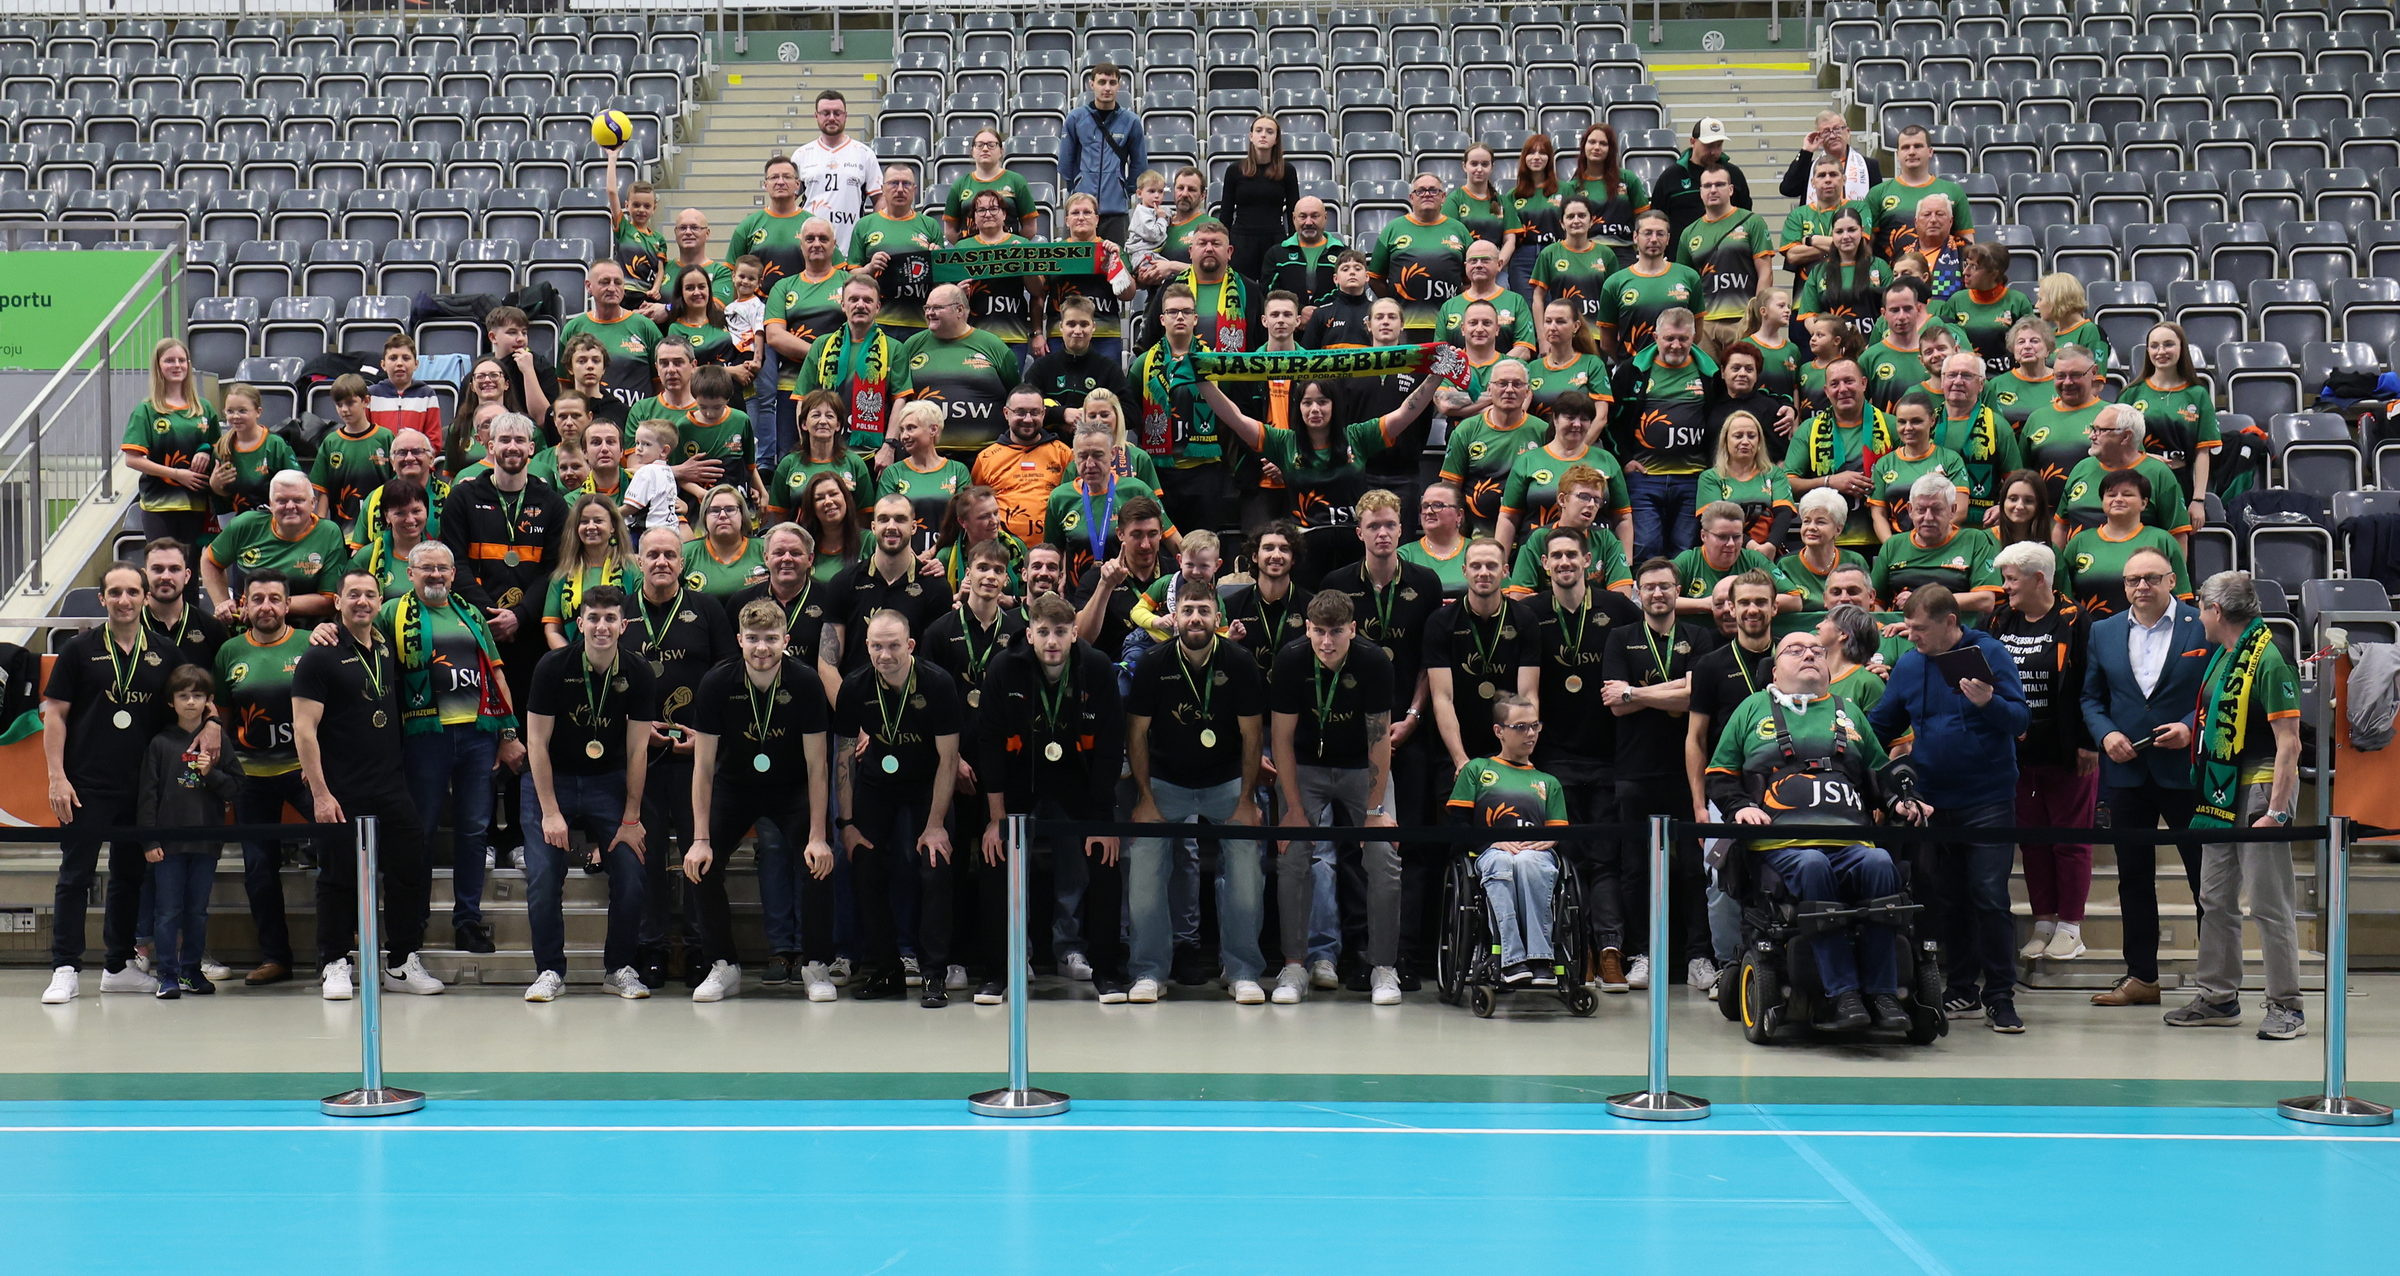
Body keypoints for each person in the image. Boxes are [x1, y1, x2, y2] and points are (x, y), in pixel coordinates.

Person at [1707, 629, 1919, 1032]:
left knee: (1879, 862)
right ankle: (1843, 994)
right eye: (1795, 650)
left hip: (1851, 840)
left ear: (1827, 667)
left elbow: (1880, 774)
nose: (1808, 654)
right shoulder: (1751, 708)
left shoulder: (1849, 712)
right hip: (1783, 844)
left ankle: (1883, 993)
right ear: (1774, 671)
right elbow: (1719, 774)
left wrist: (1900, 801)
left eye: (1816, 650)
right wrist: (1741, 807)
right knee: (1812, 865)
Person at [1868, 583, 2030, 1033]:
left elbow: (2019, 720)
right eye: (1909, 627)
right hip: (1933, 800)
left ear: (1950, 622)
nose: (1912, 635)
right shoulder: (1909, 664)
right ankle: (1961, 987)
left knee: (1990, 896)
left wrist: (1988, 702)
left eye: (1920, 628)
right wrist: (1845, 745)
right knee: (1947, 898)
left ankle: (2000, 995)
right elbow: (1881, 724)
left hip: (1988, 797)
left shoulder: (1989, 654)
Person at [39, 563, 191, 1003]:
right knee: (75, 876)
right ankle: (65, 967)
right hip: (85, 783)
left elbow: (190, 703)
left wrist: (214, 725)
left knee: (129, 876)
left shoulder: (165, 652)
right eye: (115, 593)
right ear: (102, 598)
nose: (124, 601)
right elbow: (56, 715)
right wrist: (57, 777)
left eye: (132, 592)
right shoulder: (78, 650)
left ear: (145, 597)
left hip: (142, 787)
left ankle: (118, 965)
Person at [2168, 571, 2306, 1040]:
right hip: (2218, 791)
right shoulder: (2226, 654)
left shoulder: (2270, 657)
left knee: (2269, 903)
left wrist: (2278, 811)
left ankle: (2286, 1004)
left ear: (2216, 610)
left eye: (2201, 608)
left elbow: (2290, 743)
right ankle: (2218, 996)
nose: (2199, 616)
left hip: (2260, 792)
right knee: (2215, 898)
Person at [294, 569, 437, 1002]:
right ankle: (336, 962)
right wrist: (321, 794)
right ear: (337, 601)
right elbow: (304, 729)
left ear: (379, 601)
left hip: (390, 784)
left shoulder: (385, 647)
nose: (362, 601)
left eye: (370, 595)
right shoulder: (319, 655)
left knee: (409, 870)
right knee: (337, 877)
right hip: (340, 789)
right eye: (353, 594)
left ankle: (401, 961)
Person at [684, 599, 837, 1003]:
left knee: (819, 860)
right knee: (700, 863)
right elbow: (703, 767)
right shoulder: (717, 683)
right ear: (739, 640)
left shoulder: (805, 683)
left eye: (771, 638)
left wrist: (818, 836)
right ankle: (723, 964)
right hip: (735, 787)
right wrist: (700, 839)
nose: (762, 648)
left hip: (792, 789)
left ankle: (816, 963)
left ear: (786, 639)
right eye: (753, 639)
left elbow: (818, 766)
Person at [980, 592, 1131, 1000]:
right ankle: (999, 970)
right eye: (1043, 632)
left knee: (1105, 858)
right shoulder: (1004, 668)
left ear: (1075, 634)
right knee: (995, 855)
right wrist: (995, 818)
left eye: (1061, 632)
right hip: (1020, 778)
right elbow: (989, 743)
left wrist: (1102, 820)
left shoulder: (1096, 668)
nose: (1052, 641)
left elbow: (1109, 747)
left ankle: (1107, 971)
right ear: (1029, 634)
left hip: (1079, 779)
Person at [2079, 548, 2211, 1007]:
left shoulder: (2202, 626)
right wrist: (2106, 734)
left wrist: (2191, 728)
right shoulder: (2103, 631)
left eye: (2151, 578)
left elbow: (2218, 692)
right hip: (2127, 772)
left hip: (2186, 771)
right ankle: (2141, 977)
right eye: (2133, 580)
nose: (2141, 587)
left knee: (2205, 880)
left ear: (2172, 580)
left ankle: (2215, 983)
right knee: (2133, 879)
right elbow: (2091, 698)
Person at [1124, 590, 1270, 1003]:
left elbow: (1252, 735)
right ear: (1174, 616)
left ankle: (1242, 971)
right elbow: (1136, 734)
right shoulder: (1153, 663)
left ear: (1217, 617)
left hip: (1227, 784)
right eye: (1187, 610)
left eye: (1203, 611)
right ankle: (1149, 971)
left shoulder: (1239, 662)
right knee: (1145, 871)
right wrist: (1144, 797)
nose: (1195, 618)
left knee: (1245, 871)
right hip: (1165, 784)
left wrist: (1246, 800)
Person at [378, 540, 521, 953]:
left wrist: (508, 733)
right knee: (420, 832)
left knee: (474, 831)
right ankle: (414, 919)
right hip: (425, 736)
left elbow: (496, 674)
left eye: (443, 568)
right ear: (410, 573)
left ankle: (468, 920)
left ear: (454, 573)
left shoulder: (470, 613)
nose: (436, 575)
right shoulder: (392, 612)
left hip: (478, 735)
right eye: (427, 568)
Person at [518, 586, 656, 1002]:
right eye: (593, 618)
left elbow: (638, 750)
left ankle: (619, 968)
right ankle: (549, 970)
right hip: (552, 779)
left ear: (623, 625)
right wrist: (550, 812)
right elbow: (536, 743)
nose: (601, 626)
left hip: (608, 780)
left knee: (631, 873)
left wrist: (631, 817)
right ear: (580, 624)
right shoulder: (552, 666)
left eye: (610, 618)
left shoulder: (638, 671)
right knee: (544, 877)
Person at [1267, 591, 1402, 1004]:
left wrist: (1375, 810)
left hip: (1362, 767)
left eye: (1337, 632)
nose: (1327, 642)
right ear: (1307, 628)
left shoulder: (1374, 661)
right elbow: (1281, 739)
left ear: (1353, 629)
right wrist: (1293, 808)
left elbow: (1379, 739)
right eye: (1319, 632)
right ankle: (1294, 965)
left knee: (1383, 855)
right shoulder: (1291, 660)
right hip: (1305, 766)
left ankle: (1384, 967)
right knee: (1292, 854)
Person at [834, 610, 965, 1005]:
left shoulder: (937, 683)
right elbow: (844, 756)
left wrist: (936, 824)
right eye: (877, 646)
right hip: (877, 784)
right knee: (865, 865)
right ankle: (887, 969)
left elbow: (949, 759)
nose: (885, 655)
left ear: (910, 645)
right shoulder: (855, 686)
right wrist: (847, 823)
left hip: (928, 784)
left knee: (935, 868)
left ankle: (933, 974)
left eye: (893, 646)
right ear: (866, 646)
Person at [1600, 557, 1720, 990]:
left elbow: (1695, 697)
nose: (1657, 593)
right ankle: (1641, 955)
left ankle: (1698, 956)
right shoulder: (1620, 637)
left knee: (1691, 868)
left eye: (1665, 586)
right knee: (1635, 869)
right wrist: (1670, 690)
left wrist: (1635, 692)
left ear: (1677, 590)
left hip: (1686, 770)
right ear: (1637, 592)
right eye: (1649, 587)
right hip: (1634, 768)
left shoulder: (1699, 637)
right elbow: (1614, 705)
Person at [624, 526, 733, 990]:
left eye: (670, 554)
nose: (662, 562)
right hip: (639, 758)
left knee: (697, 852)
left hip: (695, 757)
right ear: (639, 562)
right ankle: (650, 948)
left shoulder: (706, 609)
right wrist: (633, 731)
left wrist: (708, 739)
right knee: (646, 856)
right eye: (653, 555)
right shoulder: (622, 612)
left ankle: (698, 949)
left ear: (682, 562)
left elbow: (728, 673)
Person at [1983, 541, 2096, 963]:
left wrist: (2088, 741)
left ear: (2038, 579)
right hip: (2015, 752)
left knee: (2069, 840)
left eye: (2012, 578)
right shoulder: (2000, 618)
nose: (2005, 586)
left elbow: (2091, 682)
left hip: (2066, 748)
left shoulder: (2074, 619)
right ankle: (2044, 921)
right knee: (2032, 841)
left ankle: (2071, 927)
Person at [210, 571, 314, 987]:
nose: (266, 606)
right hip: (251, 777)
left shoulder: (310, 645)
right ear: (244, 606)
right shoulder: (229, 652)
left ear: (287, 605)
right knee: (258, 868)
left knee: (338, 854)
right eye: (257, 599)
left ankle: (336, 954)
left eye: (274, 598)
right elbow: (221, 717)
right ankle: (275, 957)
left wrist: (318, 764)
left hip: (305, 774)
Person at [1446, 693, 1570, 985]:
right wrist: (1489, 842)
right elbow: (1458, 824)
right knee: (1502, 862)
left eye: (1535, 726)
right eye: (1521, 727)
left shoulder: (1548, 782)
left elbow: (1559, 831)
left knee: (1528, 863)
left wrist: (1552, 840)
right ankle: (1511, 959)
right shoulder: (1477, 770)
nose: (1530, 733)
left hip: (1534, 852)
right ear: (1499, 731)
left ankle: (1541, 958)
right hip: (1490, 851)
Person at [1609, 309, 1720, 557]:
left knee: (1685, 549)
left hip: (1693, 478)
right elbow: (1611, 421)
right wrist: (1625, 459)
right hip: (1645, 477)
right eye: (1669, 338)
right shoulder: (1631, 371)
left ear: (1694, 337)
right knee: (1646, 546)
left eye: (1683, 339)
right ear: (1655, 336)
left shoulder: (1711, 373)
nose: (1676, 345)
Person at [201, 471, 344, 624]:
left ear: (313, 503)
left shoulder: (329, 533)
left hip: (309, 630)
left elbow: (330, 601)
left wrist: (264, 605)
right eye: (282, 501)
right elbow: (209, 561)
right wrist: (222, 603)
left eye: (298, 500)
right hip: (250, 626)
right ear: (270, 504)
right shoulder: (246, 525)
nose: (290, 506)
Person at [899, 284, 1020, 456]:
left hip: (985, 455)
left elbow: (1016, 394)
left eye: (937, 307)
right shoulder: (912, 345)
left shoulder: (993, 345)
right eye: (927, 308)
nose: (929, 313)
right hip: (926, 455)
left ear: (959, 310)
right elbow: (898, 395)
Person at [2119, 321, 2219, 524]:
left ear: (2181, 348)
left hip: (2180, 483)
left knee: (2178, 543)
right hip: (2138, 483)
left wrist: (2198, 500)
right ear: (2148, 351)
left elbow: (2202, 452)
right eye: (2154, 346)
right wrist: (2144, 458)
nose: (2161, 351)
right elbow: (2116, 445)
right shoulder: (2131, 394)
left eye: (2168, 344)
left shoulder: (2197, 394)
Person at [1786, 359, 1889, 551]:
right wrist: (1829, 481)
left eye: (1849, 381)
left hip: (1883, 540)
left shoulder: (1891, 426)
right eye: (1834, 384)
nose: (1842, 389)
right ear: (1826, 391)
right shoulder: (1809, 429)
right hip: (1826, 543)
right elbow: (1787, 484)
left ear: (1864, 383)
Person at [1440, 359, 1549, 536]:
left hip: (1529, 535)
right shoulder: (1466, 430)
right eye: (1502, 383)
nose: (1509, 390)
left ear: (1527, 391)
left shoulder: (1543, 431)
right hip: (1477, 536)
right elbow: (1450, 489)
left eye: (1517, 384)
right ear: (1490, 390)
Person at [1676, 166, 1776, 360]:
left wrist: (1757, 316)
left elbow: (1766, 273)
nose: (1713, 190)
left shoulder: (1752, 221)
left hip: (1743, 319)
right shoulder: (1688, 233)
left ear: (1730, 190)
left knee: (1743, 374)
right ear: (1700, 192)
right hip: (1705, 324)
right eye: (1707, 186)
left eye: (1719, 184)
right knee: (1708, 377)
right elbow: (1685, 285)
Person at [1873, 472, 2001, 615]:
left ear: (1952, 510)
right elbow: (1874, 601)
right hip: (1900, 626)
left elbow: (1985, 600)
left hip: (1956, 627)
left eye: (1936, 509)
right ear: (1910, 510)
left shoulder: (1975, 540)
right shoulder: (1893, 545)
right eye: (1921, 510)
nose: (1928, 517)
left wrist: (1924, 601)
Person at [850, 164, 946, 341]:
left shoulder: (930, 225)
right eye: (894, 183)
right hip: (877, 322)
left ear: (915, 190)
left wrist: (938, 260)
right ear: (883, 189)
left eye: (906, 184)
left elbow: (942, 281)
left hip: (921, 323)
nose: (900, 189)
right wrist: (869, 269)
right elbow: (850, 276)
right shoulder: (865, 225)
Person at [1059, 61, 1149, 246]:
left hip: (1115, 212)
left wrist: (1125, 190)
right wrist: (1077, 186)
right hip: (1082, 212)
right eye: (1102, 82)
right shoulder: (1076, 118)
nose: (1107, 88)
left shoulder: (1130, 121)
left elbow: (1139, 164)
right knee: (1076, 261)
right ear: (1091, 84)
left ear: (1119, 85)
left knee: (1115, 261)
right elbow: (1065, 162)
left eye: (1112, 82)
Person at [1370, 175, 1470, 340]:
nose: (1427, 194)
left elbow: (1470, 281)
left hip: (1449, 326)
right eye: (1421, 191)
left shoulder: (1459, 230)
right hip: (1404, 327)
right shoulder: (1393, 229)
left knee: (1446, 359)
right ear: (1411, 198)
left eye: (1433, 190)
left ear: (1443, 197)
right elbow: (1374, 278)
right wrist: (1394, 305)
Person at [1595, 209, 1702, 360]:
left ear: (1668, 238)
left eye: (1660, 234)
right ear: (1635, 237)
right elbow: (1607, 342)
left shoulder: (1689, 276)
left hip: (1675, 369)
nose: (1654, 239)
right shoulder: (1614, 283)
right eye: (1647, 233)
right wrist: (1629, 366)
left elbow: (1697, 332)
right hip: (1632, 369)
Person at [559, 261, 664, 410]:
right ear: (588, 286)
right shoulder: (573, 328)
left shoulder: (646, 327)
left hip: (637, 419)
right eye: (605, 282)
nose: (612, 288)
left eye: (618, 282)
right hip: (590, 418)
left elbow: (660, 382)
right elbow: (564, 383)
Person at [1045, 200, 1138, 369]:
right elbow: (1038, 293)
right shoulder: (1052, 253)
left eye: (1087, 212)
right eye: (1075, 213)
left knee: (1106, 386)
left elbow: (1128, 294)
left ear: (1097, 219)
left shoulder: (1111, 250)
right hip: (1061, 335)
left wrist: (1116, 261)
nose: (1081, 217)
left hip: (1105, 336)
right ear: (1066, 220)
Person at [1869, 391, 1971, 543]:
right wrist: (1892, 546)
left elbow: (1960, 510)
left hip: (1941, 544)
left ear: (1932, 420)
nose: (1908, 428)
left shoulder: (1950, 460)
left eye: (1916, 421)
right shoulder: (1884, 464)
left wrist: (1927, 539)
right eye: (1902, 422)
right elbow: (1878, 515)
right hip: (1900, 547)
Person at [2019, 344, 2113, 508]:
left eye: (2076, 375)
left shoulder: (2113, 415)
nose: (2068, 382)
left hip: (2096, 516)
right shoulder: (2037, 418)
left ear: (2093, 372)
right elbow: (2022, 474)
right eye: (2060, 376)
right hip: (2044, 515)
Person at [1863, 125, 1973, 261]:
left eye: (1918, 146)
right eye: (1905, 147)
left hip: (1941, 271)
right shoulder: (1877, 193)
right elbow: (1867, 246)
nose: (1911, 152)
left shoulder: (1953, 191)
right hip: (1893, 272)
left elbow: (1967, 242)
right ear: (1897, 154)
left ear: (1930, 152)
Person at [876, 400, 972, 555]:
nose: (904, 436)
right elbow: (884, 520)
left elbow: (964, 520)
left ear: (933, 429)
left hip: (948, 558)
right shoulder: (892, 473)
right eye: (902, 430)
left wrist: (934, 552)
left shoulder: (958, 470)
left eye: (911, 428)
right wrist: (910, 558)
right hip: (902, 558)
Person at [540, 493, 636, 648]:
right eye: (584, 521)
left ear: (612, 527)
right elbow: (552, 630)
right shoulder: (562, 574)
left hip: (622, 657)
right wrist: (571, 658)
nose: (591, 526)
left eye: (598, 520)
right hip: (573, 658)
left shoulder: (631, 569)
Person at [1697, 410, 1795, 554]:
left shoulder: (1774, 474)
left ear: (1759, 441)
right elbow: (1713, 520)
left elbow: (1784, 513)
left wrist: (1770, 546)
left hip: (1770, 550)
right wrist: (1752, 546)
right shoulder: (1710, 478)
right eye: (1738, 436)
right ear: (1725, 441)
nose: (1745, 441)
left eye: (1751, 436)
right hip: (1726, 550)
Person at [791, 91, 880, 247]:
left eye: (837, 113)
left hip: (850, 247)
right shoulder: (802, 155)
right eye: (826, 113)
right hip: (811, 248)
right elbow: (787, 200)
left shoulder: (864, 154)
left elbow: (879, 200)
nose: (832, 118)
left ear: (845, 116)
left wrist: (873, 235)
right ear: (816, 116)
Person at [1216, 114, 1298, 282]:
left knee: (1275, 290)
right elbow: (1226, 214)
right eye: (1259, 130)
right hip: (1241, 242)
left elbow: (1294, 213)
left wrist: (1294, 245)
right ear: (1251, 136)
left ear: (1276, 139)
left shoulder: (1287, 171)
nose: (1263, 135)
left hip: (1275, 240)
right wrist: (1223, 244)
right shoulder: (1234, 170)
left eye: (1269, 132)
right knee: (1242, 290)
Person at [310, 374, 395, 528]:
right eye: (339, 404)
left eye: (350, 403)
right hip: (343, 528)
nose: (344, 409)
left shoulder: (385, 437)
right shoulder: (331, 442)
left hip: (380, 527)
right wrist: (320, 526)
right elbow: (323, 491)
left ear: (366, 401)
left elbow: (396, 485)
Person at [1794, 206, 1890, 342]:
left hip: (1873, 347)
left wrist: (1874, 345)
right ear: (1832, 234)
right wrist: (1830, 342)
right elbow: (1809, 317)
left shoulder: (1880, 266)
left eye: (1852, 230)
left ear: (1862, 231)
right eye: (1839, 231)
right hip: (1834, 349)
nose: (1846, 236)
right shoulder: (1818, 272)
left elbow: (1892, 310)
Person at [1675, 501, 1784, 620]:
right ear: (1703, 536)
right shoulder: (1688, 561)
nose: (1731, 544)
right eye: (1722, 537)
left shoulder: (1754, 559)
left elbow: (1794, 598)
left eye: (1737, 537)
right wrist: (1706, 604)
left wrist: (1746, 602)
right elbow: (1662, 598)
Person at [1530, 213, 1616, 360]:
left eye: (1581, 216)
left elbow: (1614, 300)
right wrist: (1542, 339)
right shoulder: (1549, 253)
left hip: (1596, 335)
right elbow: (1538, 298)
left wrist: (1611, 337)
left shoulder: (1606, 254)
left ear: (1591, 221)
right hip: (1560, 333)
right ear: (1562, 223)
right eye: (1570, 216)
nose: (1576, 220)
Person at [207, 384, 295, 525]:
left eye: (242, 411)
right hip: (234, 525)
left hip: (272, 523)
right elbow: (221, 501)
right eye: (230, 411)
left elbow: (295, 486)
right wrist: (215, 486)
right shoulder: (221, 448)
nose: (236, 416)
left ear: (258, 412)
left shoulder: (275, 445)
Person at [1652, 117, 1753, 239]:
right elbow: (1656, 219)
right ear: (1693, 142)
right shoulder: (1671, 177)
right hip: (1682, 249)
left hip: (1726, 248)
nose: (1714, 152)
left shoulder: (1734, 174)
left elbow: (1746, 216)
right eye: (1709, 146)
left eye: (1719, 145)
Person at [139, 537, 229, 670]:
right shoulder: (129, 627)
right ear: (145, 575)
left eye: (174, 569)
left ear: (187, 576)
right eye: (157, 569)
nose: (166, 576)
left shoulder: (212, 628)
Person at [1772, 487, 1870, 609]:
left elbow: (1867, 605)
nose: (1811, 527)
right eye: (1806, 521)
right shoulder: (1786, 565)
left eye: (1820, 522)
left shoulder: (1855, 560)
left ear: (1838, 529)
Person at [1438, 241, 1536, 358]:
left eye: (1485, 260)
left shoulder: (1516, 301)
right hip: (1461, 369)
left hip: (1505, 369)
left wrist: (1495, 367)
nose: (1478, 265)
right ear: (1465, 266)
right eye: (1473, 261)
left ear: (1499, 264)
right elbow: (1439, 352)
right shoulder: (1449, 306)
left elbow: (1524, 349)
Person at [1504, 132, 1563, 301]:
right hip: (1523, 258)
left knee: (1557, 307)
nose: (1536, 157)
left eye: (1542, 153)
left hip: (1556, 253)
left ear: (1549, 158)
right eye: (1531, 152)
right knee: (1528, 307)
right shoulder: (1512, 195)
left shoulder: (1565, 190)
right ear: (1524, 158)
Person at [604, 148, 667, 307]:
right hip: (623, 293)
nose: (641, 210)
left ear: (654, 208)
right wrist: (612, 158)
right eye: (636, 205)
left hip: (646, 297)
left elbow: (660, 270)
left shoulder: (658, 239)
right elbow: (611, 192)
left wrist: (656, 289)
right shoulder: (623, 228)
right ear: (627, 205)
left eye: (647, 206)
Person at [1778, 110, 1881, 202]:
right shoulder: (1810, 168)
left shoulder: (1869, 166)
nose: (1832, 136)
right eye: (1826, 132)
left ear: (1848, 132)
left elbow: (1878, 203)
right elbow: (1788, 190)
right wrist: (1806, 151)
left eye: (1837, 129)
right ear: (1819, 137)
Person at [1781, 152, 1856, 275]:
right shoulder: (1798, 215)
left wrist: (1812, 241)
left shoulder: (1858, 208)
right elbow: (1793, 256)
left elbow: (1860, 247)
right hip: (1806, 283)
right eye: (1821, 175)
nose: (1828, 180)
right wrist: (1842, 247)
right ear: (1813, 182)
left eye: (1833, 174)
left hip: (1850, 281)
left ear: (1844, 179)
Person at [2034, 271, 2113, 370]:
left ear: (2056, 300)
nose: (2036, 305)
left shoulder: (2089, 331)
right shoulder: (2049, 335)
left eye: (2040, 299)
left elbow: (2097, 377)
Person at [1991, 316, 2057, 431]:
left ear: (2048, 349)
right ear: (2013, 350)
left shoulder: (2063, 382)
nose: (2027, 346)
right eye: (2021, 342)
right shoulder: (1996, 385)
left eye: (2034, 341)